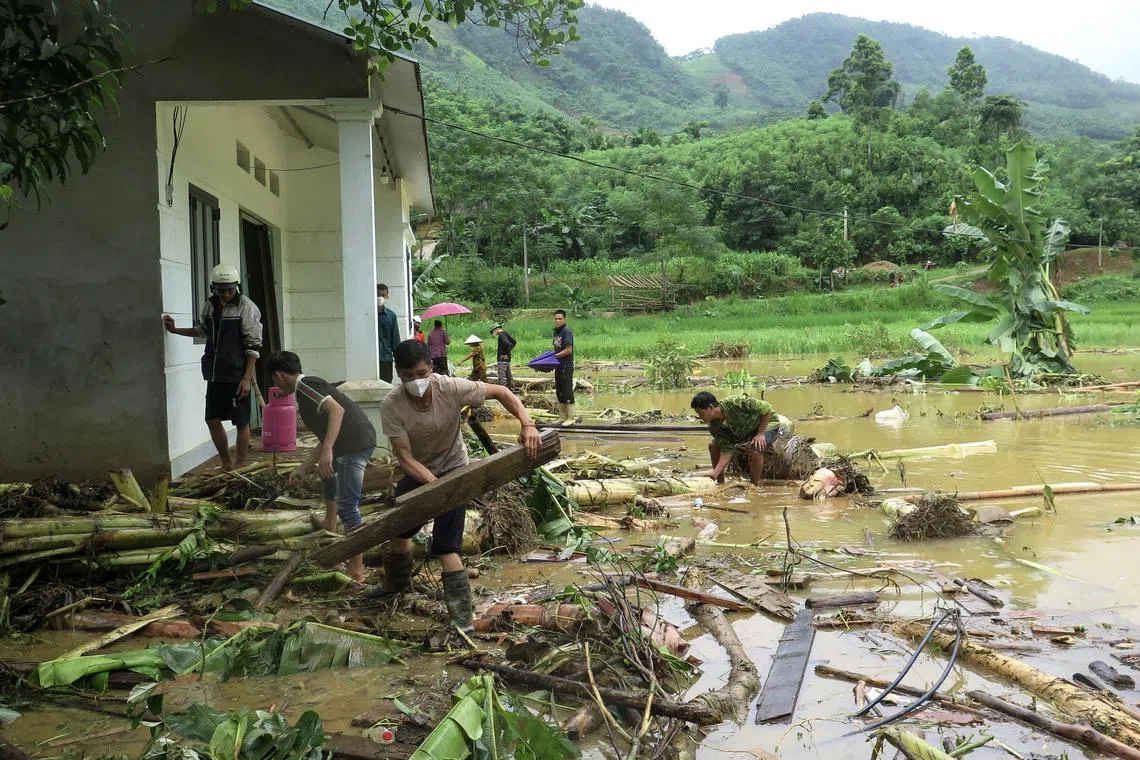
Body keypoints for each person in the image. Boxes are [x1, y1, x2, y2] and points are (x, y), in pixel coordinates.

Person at [378, 339, 541, 631]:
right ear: (398, 375)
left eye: (420, 373)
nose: (415, 382)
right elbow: (403, 456)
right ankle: (395, 584)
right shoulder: (392, 405)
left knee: (446, 546)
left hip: (455, 469)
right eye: (407, 377)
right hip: (418, 471)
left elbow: (502, 392)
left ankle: (462, 619)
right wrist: (433, 484)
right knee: (398, 528)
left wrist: (527, 424)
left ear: (431, 367)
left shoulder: (450, 388)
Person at [267, 351, 375, 582]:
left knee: (348, 506)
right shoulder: (304, 390)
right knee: (327, 477)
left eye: (274, 379)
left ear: (278, 376)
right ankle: (331, 530)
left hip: (354, 444)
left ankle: (357, 570)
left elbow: (337, 410)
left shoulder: (306, 386)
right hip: (349, 442)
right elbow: (325, 436)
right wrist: (303, 468)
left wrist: (328, 450)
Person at [163, 263, 262, 471]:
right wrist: (175, 330)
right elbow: (203, 331)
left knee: (241, 422)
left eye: (229, 289)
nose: (225, 294)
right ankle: (226, 463)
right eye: (220, 290)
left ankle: (240, 464)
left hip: (236, 374)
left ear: (236, 287)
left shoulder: (247, 307)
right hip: (214, 374)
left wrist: (246, 378)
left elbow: (253, 347)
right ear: (213, 288)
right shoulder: (210, 305)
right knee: (212, 419)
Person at [691, 391, 781, 487]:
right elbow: (727, 449)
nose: (700, 417)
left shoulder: (736, 402)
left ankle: (753, 486)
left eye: (701, 413)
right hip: (743, 432)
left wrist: (760, 433)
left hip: (766, 424)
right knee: (713, 446)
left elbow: (766, 408)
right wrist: (715, 473)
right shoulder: (714, 426)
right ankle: (720, 482)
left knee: (756, 448)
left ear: (711, 407)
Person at [552, 309, 575, 426]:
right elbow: (557, 348)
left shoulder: (566, 332)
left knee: (567, 390)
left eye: (560, 318)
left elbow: (568, 350)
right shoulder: (556, 332)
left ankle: (571, 417)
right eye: (556, 319)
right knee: (559, 390)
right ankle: (562, 417)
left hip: (566, 365)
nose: (557, 321)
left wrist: (554, 356)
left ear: (564, 319)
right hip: (558, 365)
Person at [376, 283, 401, 383]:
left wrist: (399, 361)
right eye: (378, 295)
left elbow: (395, 340)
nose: (380, 298)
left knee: (385, 386)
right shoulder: (366, 314)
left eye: (383, 295)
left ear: (387, 297)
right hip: (369, 359)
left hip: (385, 359)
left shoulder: (391, 316)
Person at [490, 323, 517, 390]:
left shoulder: (501, 335)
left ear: (496, 329)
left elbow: (506, 343)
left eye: (493, 331)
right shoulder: (506, 333)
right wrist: (508, 352)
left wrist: (504, 353)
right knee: (508, 374)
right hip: (507, 358)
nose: (494, 333)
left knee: (501, 375)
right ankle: (512, 387)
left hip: (502, 358)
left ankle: (503, 389)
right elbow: (514, 342)